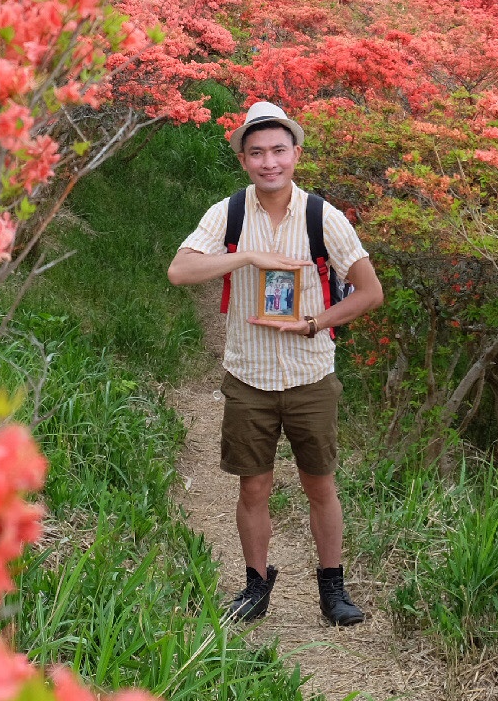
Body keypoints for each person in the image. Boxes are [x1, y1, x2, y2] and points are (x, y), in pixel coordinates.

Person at [167, 101, 384, 626]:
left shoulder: (322, 216)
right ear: (243, 159)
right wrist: (246, 256)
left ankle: (332, 588)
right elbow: (180, 272)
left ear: (296, 154)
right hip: (249, 375)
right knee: (253, 486)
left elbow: (370, 292)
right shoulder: (229, 214)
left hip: (311, 372)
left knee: (320, 484)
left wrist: (314, 322)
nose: (269, 162)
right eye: (257, 152)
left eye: (278, 151)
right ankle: (256, 584)